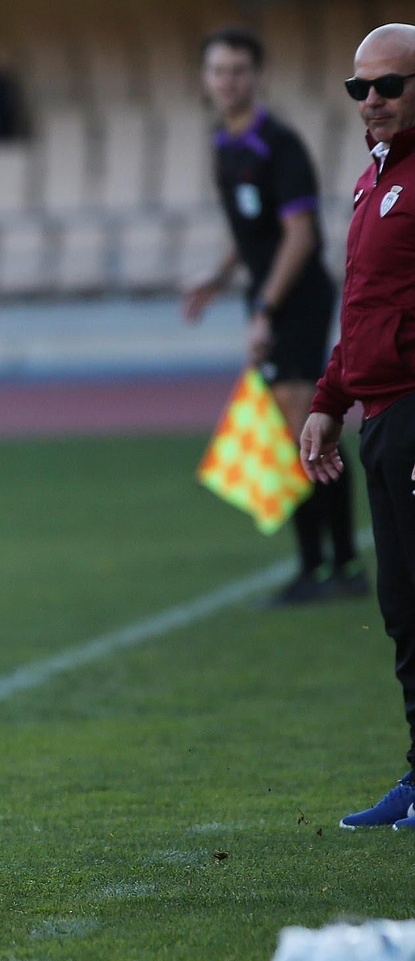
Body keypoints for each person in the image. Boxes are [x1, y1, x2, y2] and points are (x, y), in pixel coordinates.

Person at [183, 27, 365, 606]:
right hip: (269, 298)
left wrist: (264, 309)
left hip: (298, 298)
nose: (228, 81)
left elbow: (299, 235)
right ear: (206, 80)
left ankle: (338, 565)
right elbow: (253, 231)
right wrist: (218, 276)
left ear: (258, 76)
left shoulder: (277, 144)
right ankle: (318, 566)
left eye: (239, 70)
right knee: (292, 436)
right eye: (219, 71)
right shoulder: (224, 143)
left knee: (307, 430)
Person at [296, 23, 415, 829]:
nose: (371, 101)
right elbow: (363, 307)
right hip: (380, 417)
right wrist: (328, 400)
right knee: (404, 607)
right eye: (358, 89)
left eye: (389, 86)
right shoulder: (374, 180)